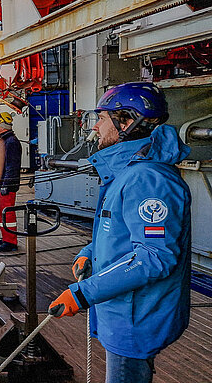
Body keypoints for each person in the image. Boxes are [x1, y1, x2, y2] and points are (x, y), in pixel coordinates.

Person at [48, 82, 192, 383]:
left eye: (102, 118)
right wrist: (90, 252)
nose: (96, 127)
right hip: (125, 312)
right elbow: (123, 231)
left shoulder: (147, 179)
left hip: (135, 318)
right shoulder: (130, 171)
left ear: (126, 122)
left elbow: (154, 257)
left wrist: (83, 293)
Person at [0, 112, 22, 252]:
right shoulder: (3, 140)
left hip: (5, 185)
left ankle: (11, 242)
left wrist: (6, 185)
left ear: (2, 127)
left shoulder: (11, 142)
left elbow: (12, 166)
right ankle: (5, 237)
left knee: (7, 214)